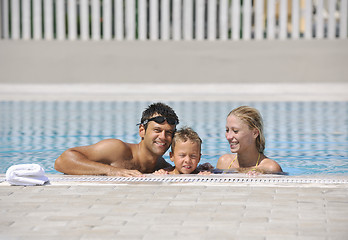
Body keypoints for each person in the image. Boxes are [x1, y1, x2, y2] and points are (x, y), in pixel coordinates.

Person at [54, 102, 179, 177]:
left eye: (168, 133)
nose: (163, 137)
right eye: (157, 130)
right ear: (142, 131)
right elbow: (62, 161)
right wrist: (111, 171)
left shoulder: (161, 166)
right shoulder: (117, 149)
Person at [216, 106, 282, 175]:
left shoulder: (270, 168)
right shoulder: (224, 162)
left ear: (255, 133)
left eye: (235, 131)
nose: (228, 137)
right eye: (227, 130)